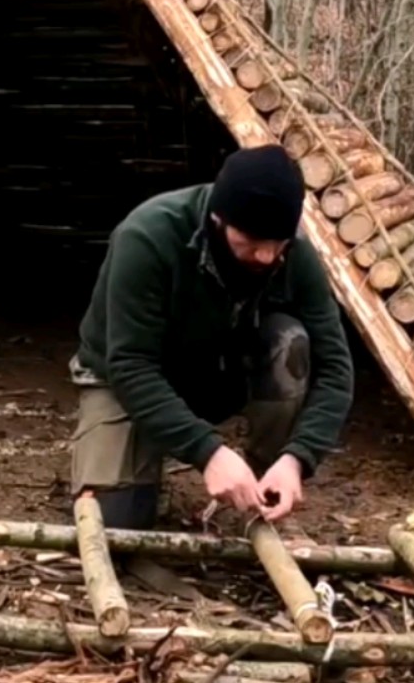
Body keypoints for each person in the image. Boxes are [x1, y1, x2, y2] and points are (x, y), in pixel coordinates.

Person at [68, 144, 354, 530]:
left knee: (290, 342)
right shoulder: (148, 236)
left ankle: (262, 483)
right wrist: (209, 452)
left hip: (217, 373)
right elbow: (130, 366)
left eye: (277, 244)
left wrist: (298, 459)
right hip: (126, 381)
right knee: (115, 525)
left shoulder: (296, 252)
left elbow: (336, 368)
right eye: (251, 242)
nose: (267, 257)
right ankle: (142, 463)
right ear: (219, 219)